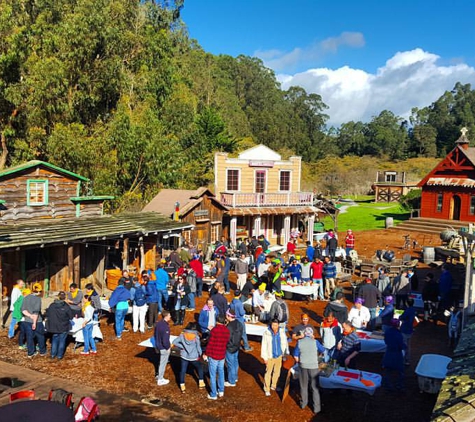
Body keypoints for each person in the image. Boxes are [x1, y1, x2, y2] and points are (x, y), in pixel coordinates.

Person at [294, 327, 324, 414]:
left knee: (303, 386)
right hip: (314, 366)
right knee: (314, 387)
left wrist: (300, 361)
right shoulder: (315, 342)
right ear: (312, 334)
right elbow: (323, 350)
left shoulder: (299, 342)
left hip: (303, 366)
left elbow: (296, 356)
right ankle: (316, 408)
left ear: (304, 333)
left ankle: (303, 404)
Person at [173, 322, 205, 393]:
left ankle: (182, 386)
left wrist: (182, 347)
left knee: (183, 370)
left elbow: (174, 342)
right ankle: (201, 382)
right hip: (194, 357)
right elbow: (198, 347)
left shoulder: (182, 335)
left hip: (184, 356)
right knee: (199, 367)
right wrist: (200, 354)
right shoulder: (195, 336)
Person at [204, 315, 230, 400]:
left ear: (217, 321)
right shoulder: (227, 331)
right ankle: (221, 390)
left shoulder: (214, 330)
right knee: (221, 372)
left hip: (214, 355)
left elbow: (210, 344)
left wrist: (206, 353)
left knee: (212, 375)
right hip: (222, 355)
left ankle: (213, 394)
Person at [261, 319, 288, 396]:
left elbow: (284, 343)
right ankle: (267, 388)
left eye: (276, 325)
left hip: (279, 356)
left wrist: (284, 354)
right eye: (273, 325)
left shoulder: (281, 333)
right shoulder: (266, 333)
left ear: (278, 325)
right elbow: (264, 345)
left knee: (277, 372)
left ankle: (274, 385)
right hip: (270, 356)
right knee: (268, 372)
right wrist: (265, 357)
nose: (274, 327)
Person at [45, 291, 74, 360]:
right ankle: (59, 356)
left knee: (55, 340)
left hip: (54, 327)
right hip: (63, 327)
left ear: (58, 297)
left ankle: (53, 354)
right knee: (62, 341)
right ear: (65, 298)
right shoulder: (66, 306)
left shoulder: (52, 305)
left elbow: (48, 314)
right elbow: (71, 317)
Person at [21, 283, 47, 358]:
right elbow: (36, 312)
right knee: (40, 336)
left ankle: (30, 353)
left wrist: (29, 316)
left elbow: (23, 310)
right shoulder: (38, 299)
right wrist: (34, 323)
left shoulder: (26, 297)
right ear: (39, 291)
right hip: (37, 322)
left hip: (27, 321)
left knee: (29, 337)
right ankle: (42, 351)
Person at [382, 318, 406, 391]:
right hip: (397, 354)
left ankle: (387, 384)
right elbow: (401, 345)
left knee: (387, 370)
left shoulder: (387, 332)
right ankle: (399, 385)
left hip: (388, 352)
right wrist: (405, 347)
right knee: (400, 370)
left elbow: (386, 341)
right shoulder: (399, 334)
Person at [224, 309, 243, 387]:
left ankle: (231, 381)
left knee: (230, 365)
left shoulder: (229, 327)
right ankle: (235, 377)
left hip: (230, 348)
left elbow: (227, 339)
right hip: (236, 347)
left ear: (229, 316)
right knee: (235, 362)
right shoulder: (239, 323)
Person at [154, 310, 172, 386]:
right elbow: (165, 340)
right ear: (166, 316)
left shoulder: (158, 323)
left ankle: (159, 376)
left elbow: (155, 334)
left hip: (158, 345)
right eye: (169, 315)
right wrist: (168, 347)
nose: (170, 317)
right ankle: (160, 379)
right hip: (163, 348)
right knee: (163, 363)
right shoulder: (165, 327)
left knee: (161, 362)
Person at [399, 298, 416, 365]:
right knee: (408, 346)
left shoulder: (408, 310)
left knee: (404, 345)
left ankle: (403, 360)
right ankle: (407, 360)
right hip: (410, 330)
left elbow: (401, 317)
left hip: (405, 329)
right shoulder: (413, 310)